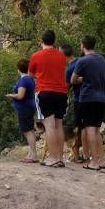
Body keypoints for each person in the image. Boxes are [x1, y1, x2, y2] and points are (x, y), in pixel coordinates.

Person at [71, 35, 105, 171]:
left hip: (88, 98)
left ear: (83, 45)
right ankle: (100, 160)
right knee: (96, 130)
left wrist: (82, 79)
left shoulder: (82, 61)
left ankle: (94, 162)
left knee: (89, 129)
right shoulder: (102, 60)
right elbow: (104, 80)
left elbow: (73, 80)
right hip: (101, 98)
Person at [29, 30, 68, 167]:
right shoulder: (62, 56)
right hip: (62, 93)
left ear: (41, 40)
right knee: (59, 125)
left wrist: (40, 77)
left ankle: (52, 158)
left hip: (45, 91)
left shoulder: (36, 55)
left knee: (49, 125)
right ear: (54, 41)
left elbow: (31, 74)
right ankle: (60, 158)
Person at [6, 59, 38, 163]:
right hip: (30, 105)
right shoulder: (31, 79)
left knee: (27, 131)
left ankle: (33, 155)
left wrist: (11, 95)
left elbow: (20, 96)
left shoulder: (23, 80)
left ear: (19, 69)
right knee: (30, 130)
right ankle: (31, 153)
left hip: (24, 107)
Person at [62, 44, 88, 162]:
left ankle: (76, 152)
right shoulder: (82, 61)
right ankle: (85, 154)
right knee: (85, 127)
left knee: (69, 126)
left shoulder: (69, 69)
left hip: (78, 100)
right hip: (89, 98)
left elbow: (66, 89)